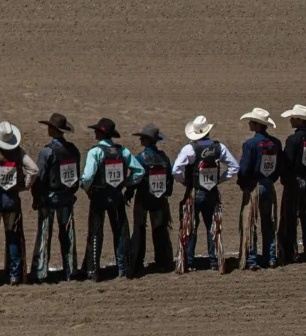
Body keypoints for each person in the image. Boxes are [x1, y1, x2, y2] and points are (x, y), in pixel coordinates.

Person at [173, 114, 238, 272]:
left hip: (195, 192)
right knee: (213, 227)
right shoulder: (219, 147)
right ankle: (215, 261)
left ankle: (189, 261)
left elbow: (176, 169)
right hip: (212, 193)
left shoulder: (189, 149)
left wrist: (183, 181)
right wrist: (219, 180)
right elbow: (234, 167)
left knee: (190, 226)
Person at [0, 120, 37, 287]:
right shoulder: (18, 153)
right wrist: (25, 186)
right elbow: (34, 169)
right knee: (13, 237)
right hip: (12, 199)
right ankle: (14, 275)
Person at [77, 117, 134, 281]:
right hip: (116, 195)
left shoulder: (95, 152)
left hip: (99, 195)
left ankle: (93, 270)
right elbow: (138, 171)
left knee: (96, 232)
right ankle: (124, 269)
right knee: (120, 231)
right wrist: (125, 183)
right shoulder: (123, 151)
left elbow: (87, 177)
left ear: (101, 133)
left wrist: (87, 189)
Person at [31, 112, 81, 284]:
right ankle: (71, 269)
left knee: (45, 234)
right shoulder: (73, 150)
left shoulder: (47, 152)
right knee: (68, 234)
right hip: (66, 197)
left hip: (50, 198)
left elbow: (39, 177)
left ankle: (41, 271)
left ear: (53, 130)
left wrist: (37, 198)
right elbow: (76, 176)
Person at [234, 108, 282, 272]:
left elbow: (245, 168)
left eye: (251, 121)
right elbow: (278, 167)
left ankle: (252, 259)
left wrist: (243, 183)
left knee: (250, 222)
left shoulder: (250, 144)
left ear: (256, 124)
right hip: (269, 185)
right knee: (268, 222)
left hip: (254, 186)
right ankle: (271, 257)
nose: (248, 124)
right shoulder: (275, 143)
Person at [278, 105, 306, 264]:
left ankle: (289, 253)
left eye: (293, 117)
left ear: (299, 120)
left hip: (295, 183)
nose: (290, 120)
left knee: (290, 218)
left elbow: (286, 163)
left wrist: (285, 178)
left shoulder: (293, 140)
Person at [127, 124, 173, 278]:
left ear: (147, 140)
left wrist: (129, 191)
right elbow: (169, 178)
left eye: (142, 137)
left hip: (143, 198)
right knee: (160, 229)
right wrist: (167, 192)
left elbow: (136, 177)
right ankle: (163, 262)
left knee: (139, 229)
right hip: (159, 198)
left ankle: (136, 263)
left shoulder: (140, 157)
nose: (140, 139)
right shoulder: (164, 157)